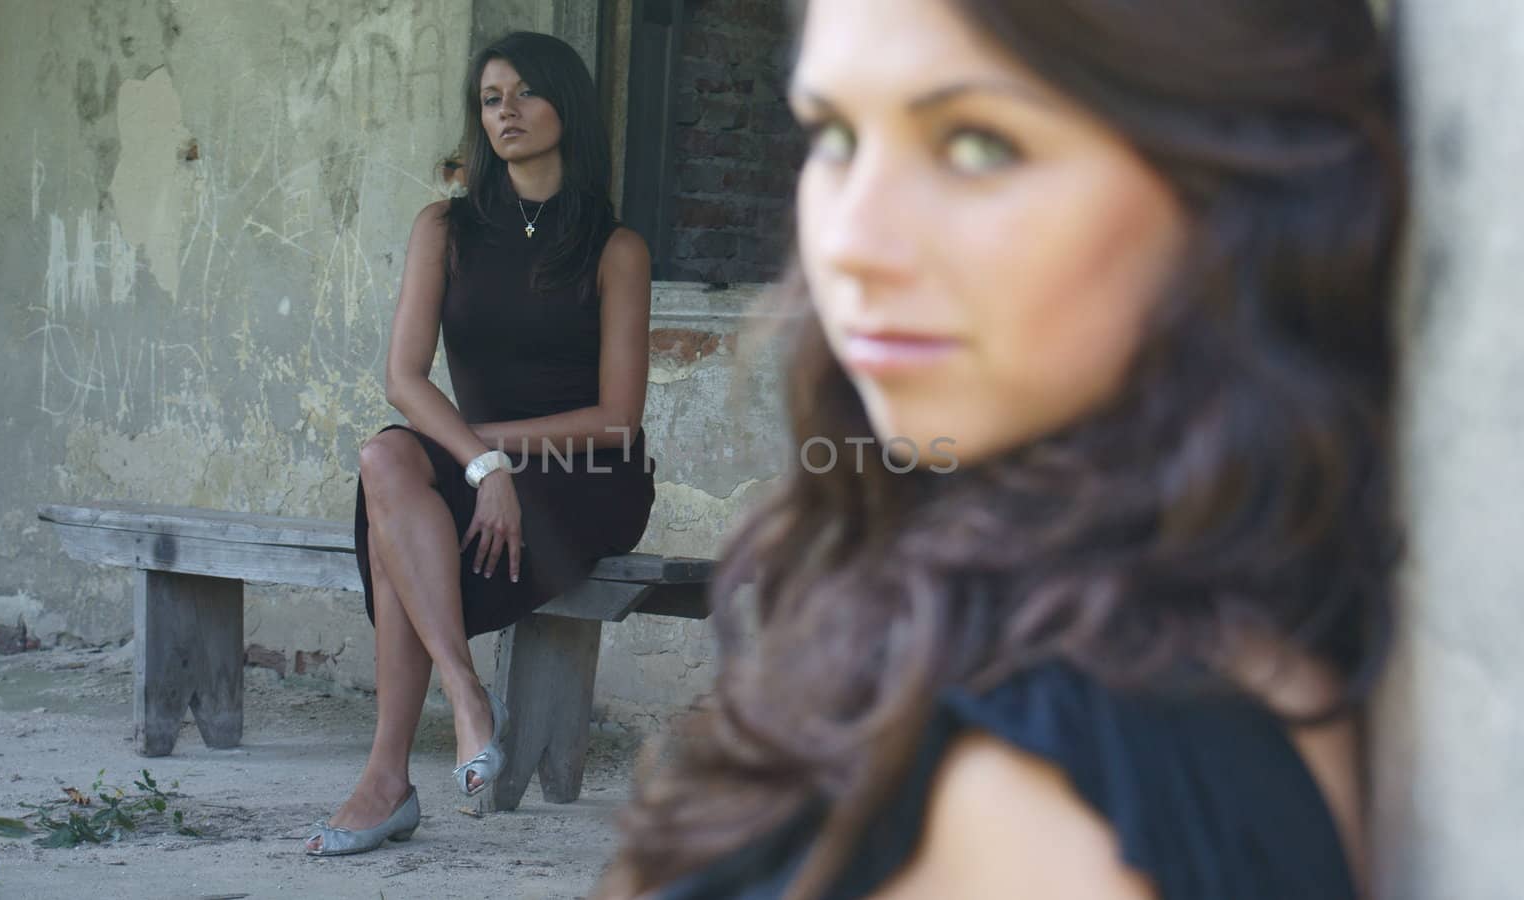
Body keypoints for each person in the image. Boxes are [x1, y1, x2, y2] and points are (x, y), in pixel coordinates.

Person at [601, 0, 1403, 897]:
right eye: (834, 136)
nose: (850, 244)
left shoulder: (1047, 792)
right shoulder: (1129, 621)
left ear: (1228, 182)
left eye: (978, 144)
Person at [305, 31, 656, 856]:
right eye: (492, 98)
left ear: (567, 108)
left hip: (585, 473)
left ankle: (387, 779)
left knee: (396, 519)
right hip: (477, 463)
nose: (507, 111)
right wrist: (480, 463)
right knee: (385, 458)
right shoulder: (446, 227)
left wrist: (482, 452)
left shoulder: (616, 248)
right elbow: (403, 378)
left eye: (526, 94)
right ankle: (466, 694)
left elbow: (617, 419)